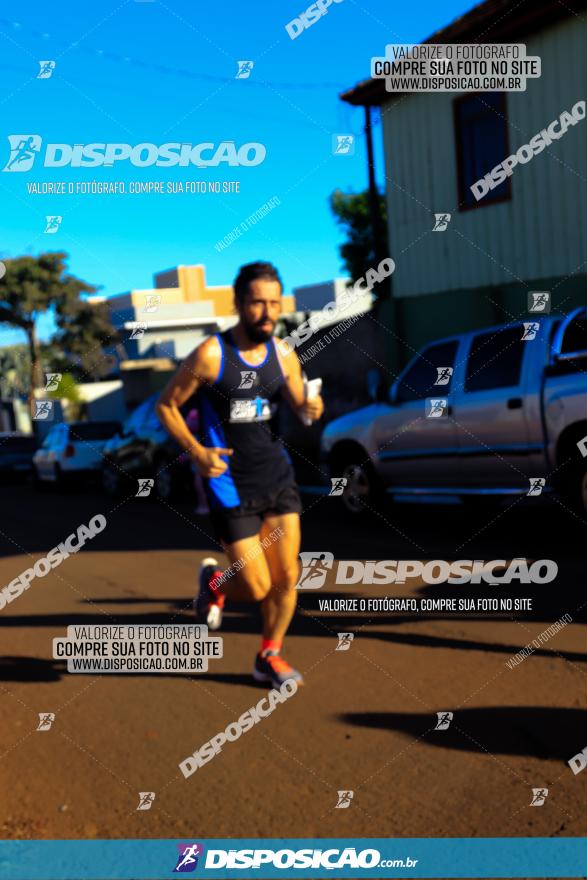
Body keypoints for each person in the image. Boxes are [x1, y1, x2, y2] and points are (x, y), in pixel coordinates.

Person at [156, 261, 324, 688]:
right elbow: (166, 405)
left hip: (276, 477)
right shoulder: (212, 355)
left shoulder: (283, 354)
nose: (267, 312)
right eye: (257, 303)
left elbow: (302, 403)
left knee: (287, 578)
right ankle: (215, 581)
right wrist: (196, 452)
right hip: (229, 483)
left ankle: (269, 654)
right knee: (255, 586)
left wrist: (311, 407)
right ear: (238, 304)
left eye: (274, 303)